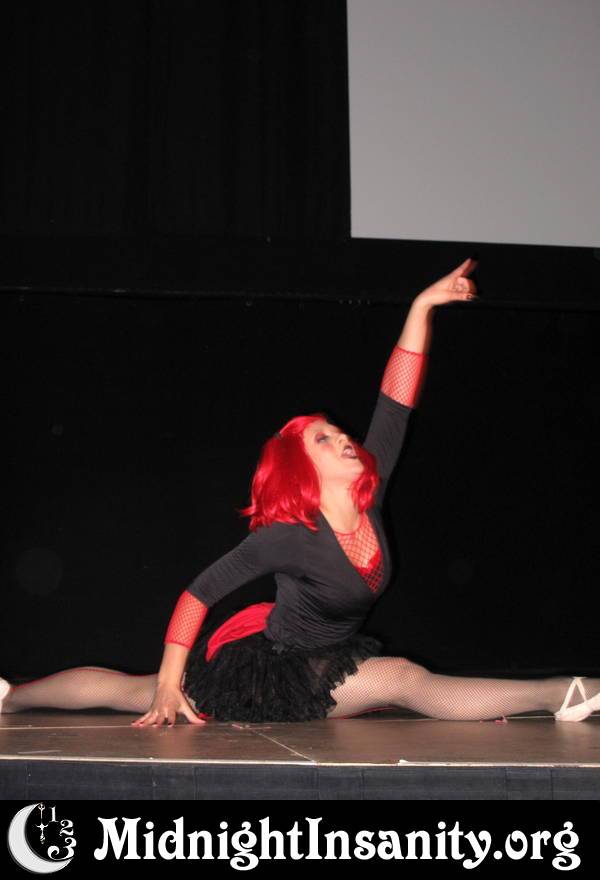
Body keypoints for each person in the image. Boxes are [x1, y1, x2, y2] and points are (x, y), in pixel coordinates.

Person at [2, 258, 599, 727]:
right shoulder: (290, 537)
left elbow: (396, 399)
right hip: (271, 671)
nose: (343, 439)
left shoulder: (369, 490)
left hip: (323, 659)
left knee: (400, 680)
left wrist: (422, 306)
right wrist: (166, 682)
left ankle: (11, 698)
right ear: (301, 468)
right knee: (133, 691)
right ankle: (11, 697)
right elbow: (197, 593)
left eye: (340, 433)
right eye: (323, 439)